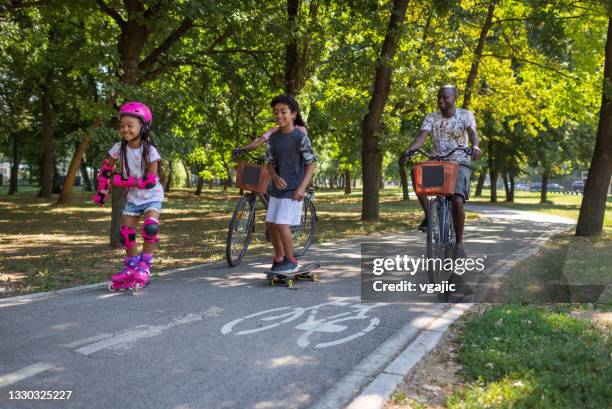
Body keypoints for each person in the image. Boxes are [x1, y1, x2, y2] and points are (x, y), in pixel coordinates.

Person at [401, 85, 482, 255]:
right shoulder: (431, 117)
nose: (441, 100)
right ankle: (430, 215)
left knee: (457, 201)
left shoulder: (465, 115)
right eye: (439, 97)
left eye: (445, 97)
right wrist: (409, 151)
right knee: (417, 174)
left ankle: (459, 245)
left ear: (455, 98)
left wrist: (475, 145)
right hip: (437, 161)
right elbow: (421, 137)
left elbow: (472, 132)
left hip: (459, 162)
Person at [92, 101, 164, 290]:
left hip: (151, 195)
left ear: (143, 127)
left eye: (130, 125)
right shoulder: (118, 148)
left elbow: (149, 180)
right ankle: (132, 267)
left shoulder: (149, 151)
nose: (125, 129)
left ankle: (145, 266)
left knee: (150, 228)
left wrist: (122, 181)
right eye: (122, 125)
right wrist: (102, 189)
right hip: (133, 198)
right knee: (126, 235)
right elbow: (107, 168)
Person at [265, 94, 316, 273]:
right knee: (271, 224)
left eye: (283, 112)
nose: (279, 115)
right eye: (276, 112)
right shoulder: (273, 138)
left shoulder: (299, 137)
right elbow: (269, 163)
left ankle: (291, 260)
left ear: (293, 114)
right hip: (276, 189)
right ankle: (279, 258)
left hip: (293, 189)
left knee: (281, 224)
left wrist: (302, 187)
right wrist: (274, 177)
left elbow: (311, 163)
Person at [233, 125, 308, 155]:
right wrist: (242, 149)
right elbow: (260, 140)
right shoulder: (274, 130)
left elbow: (304, 149)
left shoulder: (301, 129)